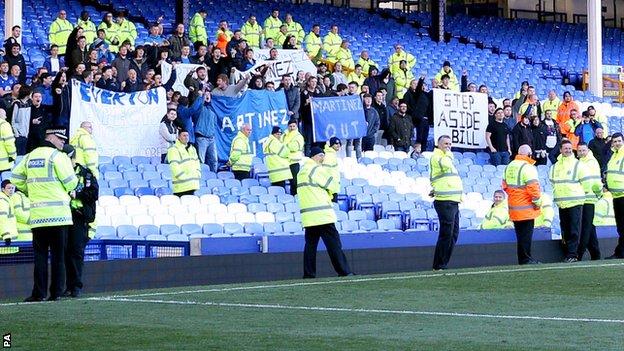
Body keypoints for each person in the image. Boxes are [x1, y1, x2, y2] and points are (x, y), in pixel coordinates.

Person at [13, 128, 78, 301]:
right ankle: (56, 292)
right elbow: (71, 183)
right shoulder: (58, 157)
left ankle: (38, 293)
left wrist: (30, 191)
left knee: (40, 257)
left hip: (38, 217)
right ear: (50, 137)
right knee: (58, 256)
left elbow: (15, 178)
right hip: (59, 216)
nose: (63, 142)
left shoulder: (29, 156)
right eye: (60, 138)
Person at [298, 146, 352, 278]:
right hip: (322, 214)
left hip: (309, 216)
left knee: (310, 246)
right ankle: (344, 271)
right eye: (321, 155)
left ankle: (309, 274)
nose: (323, 158)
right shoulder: (316, 169)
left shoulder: (302, 171)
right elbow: (333, 185)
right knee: (334, 245)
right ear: (314, 156)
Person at [63, 145, 98, 298]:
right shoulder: (57, 174)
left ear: (73, 159)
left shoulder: (86, 174)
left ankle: (75, 286)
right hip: (62, 216)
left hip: (78, 218)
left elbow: (93, 194)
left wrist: (76, 194)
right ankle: (65, 286)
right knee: (63, 253)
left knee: (76, 253)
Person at [503, 144, 542, 264]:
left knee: (520, 236)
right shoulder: (528, 167)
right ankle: (526, 259)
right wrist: (538, 203)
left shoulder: (509, 166)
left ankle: (523, 259)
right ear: (529, 154)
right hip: (526, 208)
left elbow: (504, 186)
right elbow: (533, 188)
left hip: (514, 207)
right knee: (526, 236)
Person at [430, 135, 463, 270]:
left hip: (453, 201)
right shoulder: (438, 156)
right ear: (438, 145)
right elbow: (446, 166)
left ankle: (443, 263)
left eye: (450, 144)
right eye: (445, 144)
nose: (448, 146)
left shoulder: (444, 156)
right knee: (446, 234)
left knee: (453, 234)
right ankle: (439, 264)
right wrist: (448, 154)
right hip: (445, 201)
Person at [549, 140, 585, 262]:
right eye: (566, 148)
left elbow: (585, 183)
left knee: (574, 230)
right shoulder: (555, 167)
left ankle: (573, 254)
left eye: (570, 148)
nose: (568, 150)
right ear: (560, 150)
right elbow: (553, 183)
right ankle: (568, 253)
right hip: (562, 203)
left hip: (575, 202)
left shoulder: (577, 164)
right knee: (565, 229)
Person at [576, 143, 602, 261]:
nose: (581, 152)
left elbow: (595, 181)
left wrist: (598, 193)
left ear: (588, 150)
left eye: (583, 150)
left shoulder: (590, 163)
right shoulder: (584, 162)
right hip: (585, 198)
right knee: (589, 227)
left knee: (585, 227)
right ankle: (595, 253)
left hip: (588, 198)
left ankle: (579, 253)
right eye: (579, 150)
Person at [605, 133, 624, 259]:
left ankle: (620, 252)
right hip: (616, 196)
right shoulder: (614, 155)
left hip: (622, 195)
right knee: (621, 226)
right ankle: (620, 251)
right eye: (615, 141)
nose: (617, 143)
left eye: (619, 141)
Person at [167, 130, 201, 197]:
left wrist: (198, 174)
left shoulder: (192, 149)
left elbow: (197, 163)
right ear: (179, 137)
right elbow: (174, 166)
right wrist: (183, 177)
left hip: (193, 184)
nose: (186, 137)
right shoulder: (173, 149)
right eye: (184, 135)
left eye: (187, 135)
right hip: (181, 186)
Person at [194, 92, 218, 173]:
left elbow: (214, 123)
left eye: (208, 95)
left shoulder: (213, 109)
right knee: (201, 160)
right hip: (201, 138)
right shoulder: (199, 108)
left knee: (214, 160)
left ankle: (213, 177)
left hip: (211, 138)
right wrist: (202, 98)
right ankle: (202, 178)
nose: (207, 96)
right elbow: (197, 105)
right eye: (206, 94)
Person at [283, 119, 304, 196]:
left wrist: (285, 146)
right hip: (285, 162)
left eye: (293, 126)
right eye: (290, 126)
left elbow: (294, 147)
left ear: (296, 126)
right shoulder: (284, 135)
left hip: (294, 162)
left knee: (294, 182)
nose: (292, 128)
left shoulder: (298, 136)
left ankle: (296, 197)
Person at [0, 180, 18, 254]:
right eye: (9, 188)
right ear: (3, 189)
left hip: (9, 242)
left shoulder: (7, 198)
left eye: (12, 188)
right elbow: (2, 218)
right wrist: (6, 235)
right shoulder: (2, 200)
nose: (11, 190)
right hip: (5, 241)